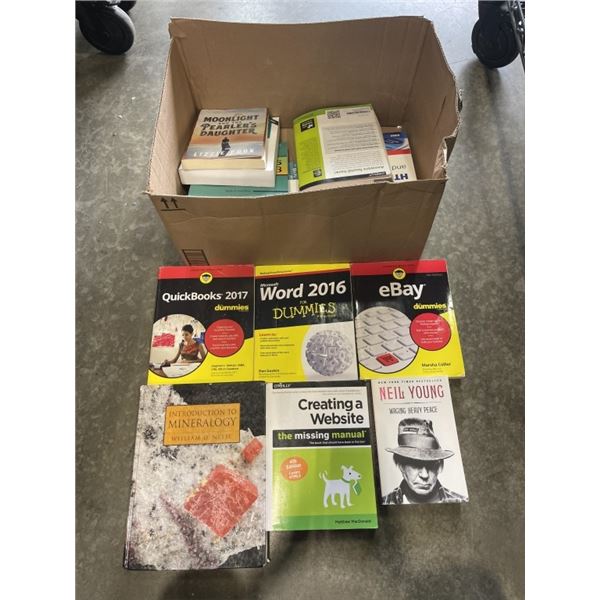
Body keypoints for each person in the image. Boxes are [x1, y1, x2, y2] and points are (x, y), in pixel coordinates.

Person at [383, 418, 467, 504]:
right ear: (401, 466)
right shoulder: (385, 503)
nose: (424, 475)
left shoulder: (461, 502)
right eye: (415, 464)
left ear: (440, 467)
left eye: (431, 465)